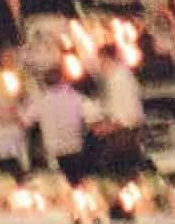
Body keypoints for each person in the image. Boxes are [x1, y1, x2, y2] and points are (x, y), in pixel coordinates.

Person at [88, 40, 146, 175]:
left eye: (100, 61)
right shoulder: (116, 76)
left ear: (107, 59)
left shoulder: (119, 79)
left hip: (124, 135)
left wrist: (106, 127)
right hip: (122, 131)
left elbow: (128, 115)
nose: (99, 65)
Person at [29, 60, 91, 178]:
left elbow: (24, 121)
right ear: (63, 79)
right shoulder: (76, 97)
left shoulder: (40, 102)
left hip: (54, 153)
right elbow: (92, 116)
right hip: (75, 149)